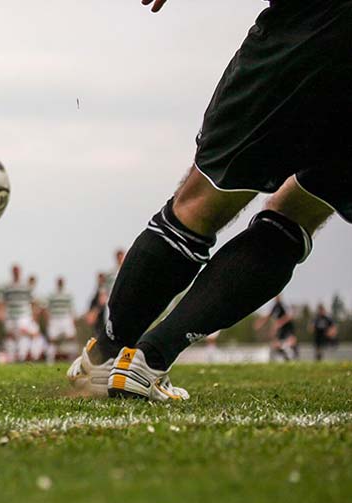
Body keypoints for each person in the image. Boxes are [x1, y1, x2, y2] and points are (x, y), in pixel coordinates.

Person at [69, 0, 351, 400]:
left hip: (310, 25)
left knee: (198, 205)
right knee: (298, 214)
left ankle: (106, 357)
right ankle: (148, 360)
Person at [0, 265, 34, 362]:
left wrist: (33, 314)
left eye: (17, 271)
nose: (16, 273)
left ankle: (22, 356)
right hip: (10, 315)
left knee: (22, 332)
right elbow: (1, 301)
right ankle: (11, 358)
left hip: (23, 314)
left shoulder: (25, 286)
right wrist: (0, 313)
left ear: (20, 272)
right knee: (10, 335)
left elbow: (32, 300)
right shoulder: (7, 286)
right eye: (14, 271)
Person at [255, 295, 299, 362]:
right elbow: (268, 316)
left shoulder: (283, 305)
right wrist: (260, 323)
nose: (276, 298)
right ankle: (286, 358)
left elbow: (290, 316)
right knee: (276, 345)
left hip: (288, 328)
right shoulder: (275, 306)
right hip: (281, 330)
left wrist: (279, 323)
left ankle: (296, 358)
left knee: (292, 342)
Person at [46, 277, 77, 363]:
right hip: (55, 318)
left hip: (66, 318)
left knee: (71, 338)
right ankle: (50, 361)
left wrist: (72, 320)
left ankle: (73, 360)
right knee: (52, 340)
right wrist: (49, 321)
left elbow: (72, 308)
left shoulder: (68, 294)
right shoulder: (51, 295)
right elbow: (48, 309)